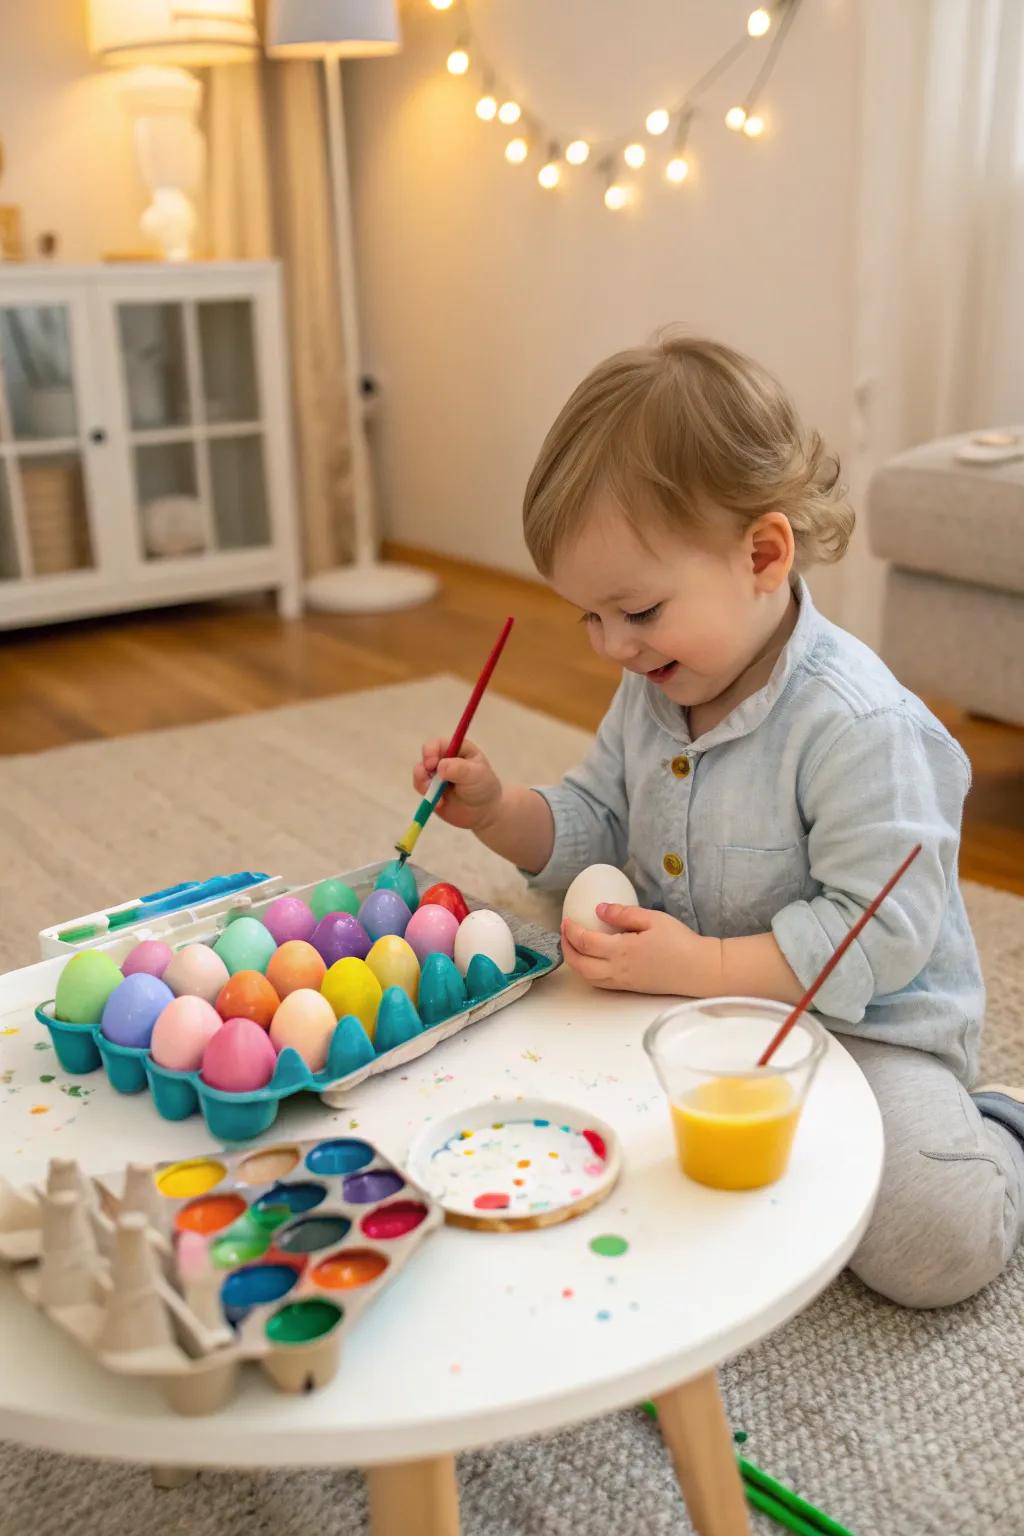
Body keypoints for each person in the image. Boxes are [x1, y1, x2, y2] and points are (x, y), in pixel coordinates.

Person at [413, 333, 1024, 1309]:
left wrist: (697, 967)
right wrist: (497, 811)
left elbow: (880, 932)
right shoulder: (655, 689)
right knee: (569, 1131)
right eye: (588, 618)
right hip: (694, 1003)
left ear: (762, 555)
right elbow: (595, 821)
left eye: (638, 611)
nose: (611, 646)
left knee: (932, 1247)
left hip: (866, 1031)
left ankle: (998, 1123)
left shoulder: (857, 725)